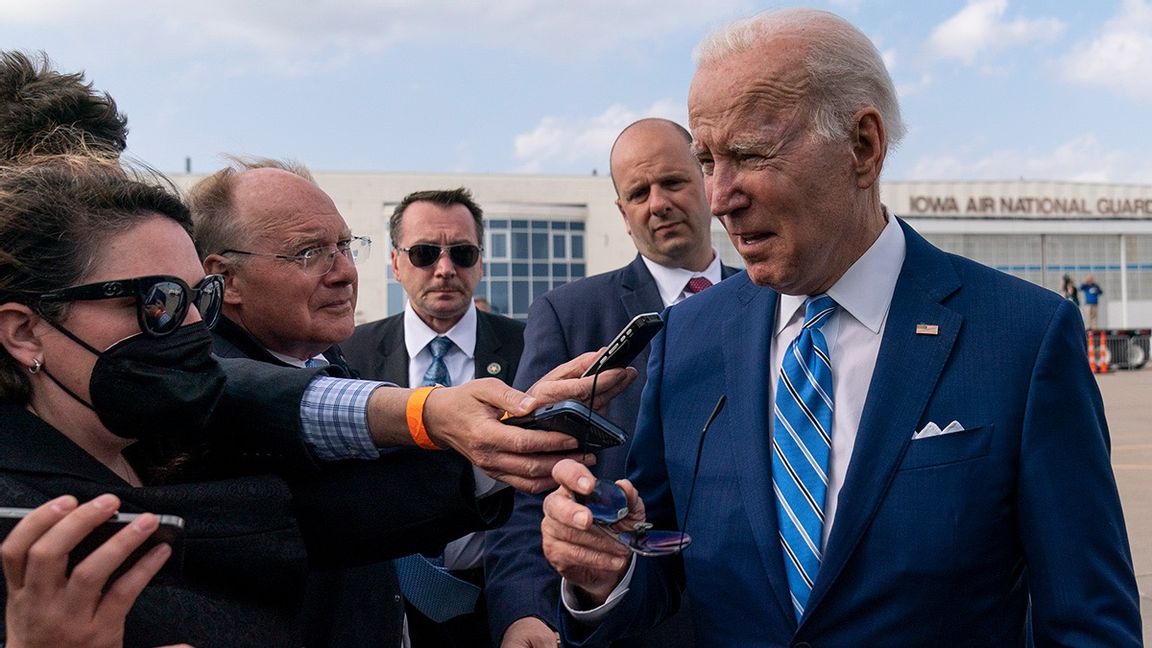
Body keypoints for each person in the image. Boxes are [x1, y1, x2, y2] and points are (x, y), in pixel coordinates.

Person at [540, 9, 1141, 646]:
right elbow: (662, 569)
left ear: (863, 147)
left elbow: (1088, 622)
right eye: (709, 160)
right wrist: (602, 574)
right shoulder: (688, 336)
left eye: (749, 154)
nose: (718, 197)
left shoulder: (1021, 337)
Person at [485, 118, 738, 648]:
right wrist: (523, 610)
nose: (658, 203)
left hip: (756, 616)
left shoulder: (773, 301)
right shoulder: (569, 315)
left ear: (709, 181)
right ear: (623, 215)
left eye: (673, 182)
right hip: (629, 623)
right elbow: (532, 480)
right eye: (638, 193)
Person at [343, 187, 525, 647]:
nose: (445, 269)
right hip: (386, 603)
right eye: (425, 253)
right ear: (395, 263)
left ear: (481, 262)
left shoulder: (529, 347)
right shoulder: (348, 353)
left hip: (498, 603)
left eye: (462, 253)